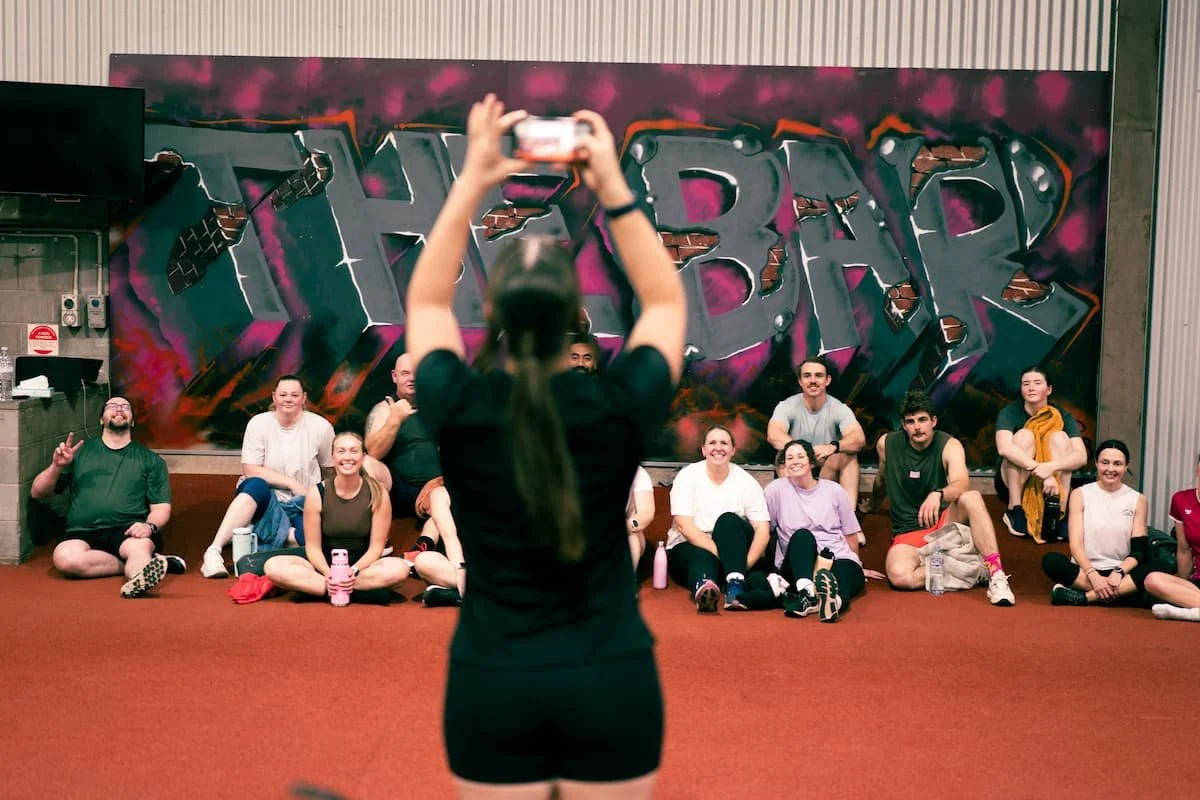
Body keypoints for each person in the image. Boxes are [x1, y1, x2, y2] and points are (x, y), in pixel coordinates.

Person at [404, 95, 685, 798]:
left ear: (492, 315)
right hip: (610, 683)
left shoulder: (460, 406)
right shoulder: (617, 407)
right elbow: (665, 303)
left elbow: (428, 304)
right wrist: (613, 184)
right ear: (574, 322)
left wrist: (473, 176)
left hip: (492, 687)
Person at [202, 375, 387, 577]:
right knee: (254, 484)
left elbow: (330, 468)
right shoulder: (258, 423)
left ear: (303, 398)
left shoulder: (320, 427)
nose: (288, 399)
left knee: (312, 543)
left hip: (303, 501)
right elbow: (251, 469)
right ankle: (214, 552)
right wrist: (290, 483)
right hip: (265, 498)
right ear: (274, 397)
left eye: (294, 395)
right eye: (283, 394)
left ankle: (261, 534)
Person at [871, 390, 1015, 606]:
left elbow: (961, 483)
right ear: (903, 424)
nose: (917, 427)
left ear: (933, 421)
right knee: (900, 576)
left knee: (972, 497)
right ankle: (973, 568)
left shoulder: (950, 445)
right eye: (911, 422)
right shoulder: (886, 444)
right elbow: (881, 479)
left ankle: (996, 574)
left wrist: (938, 494)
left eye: (922, 420)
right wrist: (872, 504)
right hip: (907, 531)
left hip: (943, 524)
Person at [31, 397, 177, 598]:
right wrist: (58, 466)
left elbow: (161, 508)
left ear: (132, 421)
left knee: (140, 547)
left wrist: (149, 527)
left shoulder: (151, 460)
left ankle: (137, 578)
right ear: (101, 419)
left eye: (125, 406)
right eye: (112, 406)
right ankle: (137, 566)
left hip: (128, 530)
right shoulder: (79, 453)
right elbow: (37, 492)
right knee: (64, 558)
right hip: (82, 531)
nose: (119, 409)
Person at [364, 352, 466, 606]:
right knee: (366, 463)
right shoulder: (383, 409)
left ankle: (424, 544)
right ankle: (380, 538)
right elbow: (374, 451)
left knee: (446, 489)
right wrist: (395, 419)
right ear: (394, 376)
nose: (412, 378)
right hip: (398, 488)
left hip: (437, 489)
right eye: (405, 373)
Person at [263, 432, 410, 599]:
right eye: (341, 451)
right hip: (324, 566)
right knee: (273, 566)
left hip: (362, 568)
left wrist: (352, 571)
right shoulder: (317, 493)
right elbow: (313, 547)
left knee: (400, 569)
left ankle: (332, 589)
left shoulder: (378, 493)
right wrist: (329, 574)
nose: (348, 457)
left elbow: (376, 547)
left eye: (354, 451)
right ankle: (339, 588)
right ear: (333, 458)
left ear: (362, 457)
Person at [764, 439, 884, 622]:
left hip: (834, 557)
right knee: (803, 536)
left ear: (811, 462)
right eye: (789, 458)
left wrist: (856, 563)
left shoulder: (834, 491)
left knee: (843, 573)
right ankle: (808, 594)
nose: (795, 461)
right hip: (799, 563)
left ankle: (833, 602)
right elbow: (766, 530)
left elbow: (850, 534)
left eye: (800, 456)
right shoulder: (775, 490)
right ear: (785, 464)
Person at [665, 424, 771, 612]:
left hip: (734, 547)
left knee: (728, 520)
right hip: (690, 545)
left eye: (724, 443)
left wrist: (743, 563)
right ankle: (705, 588)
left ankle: (735, 585)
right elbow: (684, 525)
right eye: (712, 442)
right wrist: (726, 558)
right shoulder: (687, 476)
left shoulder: (746, 481)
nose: (718, 447)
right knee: (702, 559)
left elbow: (762, 530)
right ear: (704, 449)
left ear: (732, 450)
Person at [766, 356, 867, 541]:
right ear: (800, 381)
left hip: (824, 466)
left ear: (827, 380)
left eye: (818, 376)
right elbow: (774, 434)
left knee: (848, 457)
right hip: (797, 467)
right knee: (783, 458)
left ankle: (849, 524)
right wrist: (805, 454)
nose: (813, 380)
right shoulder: (787, 405)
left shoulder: (838, 408)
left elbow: (858, 439)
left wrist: (833, 446)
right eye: (807, 376)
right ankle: (795, 522)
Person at [1042, 440, 1149, 606]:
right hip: (1086, 571)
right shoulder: (1080, 494)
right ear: (1096, 464)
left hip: (1120, 573)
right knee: (1050, 561)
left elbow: (1139, 551)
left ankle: (1085, 597)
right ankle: (1122, 594)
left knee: (1162, 565)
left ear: (1126, 466)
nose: (1110, 469)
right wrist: (1093, 575)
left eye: (1117, 464)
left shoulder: (1138, 499)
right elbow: (1076, 545)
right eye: (1105, 463)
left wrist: (1119, 572)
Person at [994, 365, 1088, 542]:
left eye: (1037, 383)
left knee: (1060, 437)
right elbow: (1004, 448)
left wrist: (1051, 467)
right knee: (1024, 436)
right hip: (1012, 480)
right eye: (1026, 383)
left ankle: (1060, 513)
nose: (1031, 388)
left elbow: (1081, 456)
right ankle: (1014, 510)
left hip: (1051, 482)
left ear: (1049, 389)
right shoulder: (1010, 412)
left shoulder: (1061, 415)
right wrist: (1042, 471)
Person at [1143, 452, 1200, 622]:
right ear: (1198, 468)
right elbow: (1183, 550)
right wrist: (1183, 585)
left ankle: (1192, 609)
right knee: (1152, 580)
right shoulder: (1181, 500)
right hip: (1198, 581)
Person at [626, 465, 655, 579]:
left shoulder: (638, 473)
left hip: (625, 532)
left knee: (632, 536)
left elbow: (646, 512)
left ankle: (624, 584)